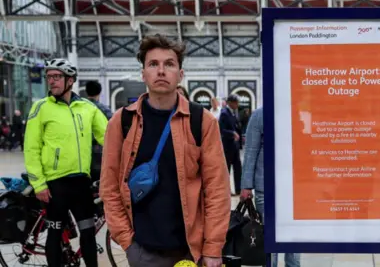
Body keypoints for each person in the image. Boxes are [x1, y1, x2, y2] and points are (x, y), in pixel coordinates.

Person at [99, 34, 230, 267]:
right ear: (143, 74)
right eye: (153, 64)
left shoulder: (202, 121)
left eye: (169, 64)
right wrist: (127, 242)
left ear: (180, 74)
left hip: (192, 251)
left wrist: (212, 248)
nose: (161, 71)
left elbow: (217, 189)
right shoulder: (122, 122)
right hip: (143, 251)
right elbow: (109, 187)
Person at [23, 58, 108, 267]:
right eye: (49, 77)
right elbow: (31, 148)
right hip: (54, 185)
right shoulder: (40, 107)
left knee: (88, 234)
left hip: (81, 183)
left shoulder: (87, 108)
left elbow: (108, 137)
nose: (51, 81)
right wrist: (39, 184)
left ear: (70, 80)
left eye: (56, 77)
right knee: (55, 233)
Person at [240, 107, 301, 267]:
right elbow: (251, 151)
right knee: (269, 236)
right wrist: (246, 186)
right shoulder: (260, 115)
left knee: (292, 236)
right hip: (265, 187)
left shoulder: (296, 112)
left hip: (293, 187)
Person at [219, 94, 242, 196]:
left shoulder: (234, 113)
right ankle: (226, 190)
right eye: (236, 102)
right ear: (230, 103)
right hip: (227, 146)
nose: (238, 104)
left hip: (235, 146)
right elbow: (221, 129)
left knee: (238, 168)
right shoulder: (224, 113)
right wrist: (232, 133)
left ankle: (238, 189)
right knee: (227, 169)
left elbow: (237, 126)